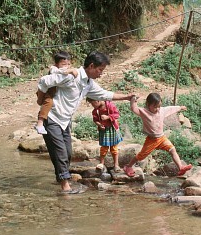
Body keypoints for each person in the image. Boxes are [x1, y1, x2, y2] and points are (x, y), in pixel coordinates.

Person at [37, 51, 135, 192]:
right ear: (91, 66)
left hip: (65, 121)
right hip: (52, 118)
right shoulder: (73, 76)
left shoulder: (88, 83)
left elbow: (104, 94)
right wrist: (41, 99)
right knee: (60, 152)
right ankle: (65, 187)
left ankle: (61, 178)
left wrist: (126, 97)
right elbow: (44, 81)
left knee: (68, 153)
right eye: (100, 70)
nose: (101, 73)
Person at [123, 93, 192, 178]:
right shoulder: (144, 112)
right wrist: (134, 100)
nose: (157, 109)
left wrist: (180, 108)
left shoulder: (161, 111)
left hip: (162, 137)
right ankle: (128, 166)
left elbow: (170, 109)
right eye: (155, 106)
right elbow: (134, 108)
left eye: (159, 106)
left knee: (172, 149)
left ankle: (180, 167)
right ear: (148, 105)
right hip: (151, 140)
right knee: (141, 156)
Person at [35, 51, 78, 135]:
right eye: (64, 64)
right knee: (48, 103)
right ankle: (40, 123)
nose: (66, 66)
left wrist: (71, 70)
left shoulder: (64, 71)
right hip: (48, 93)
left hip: (52, 92)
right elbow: (63, 72)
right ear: (56, 64)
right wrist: (71, 70)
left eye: (69, 64)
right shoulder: (54, 69)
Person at [87, 97, 123, 172]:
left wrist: (108, 117)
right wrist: (99, 125)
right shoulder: (96, 110)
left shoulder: (110, 105)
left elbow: (117, 115)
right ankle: (101, 163)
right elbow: (95, 120)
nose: (93, 106)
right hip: (104, 130)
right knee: (104, 148)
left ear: (98, 100)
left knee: (114, 148)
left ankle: (116, 165)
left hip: (112, 129)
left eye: (93, 103)